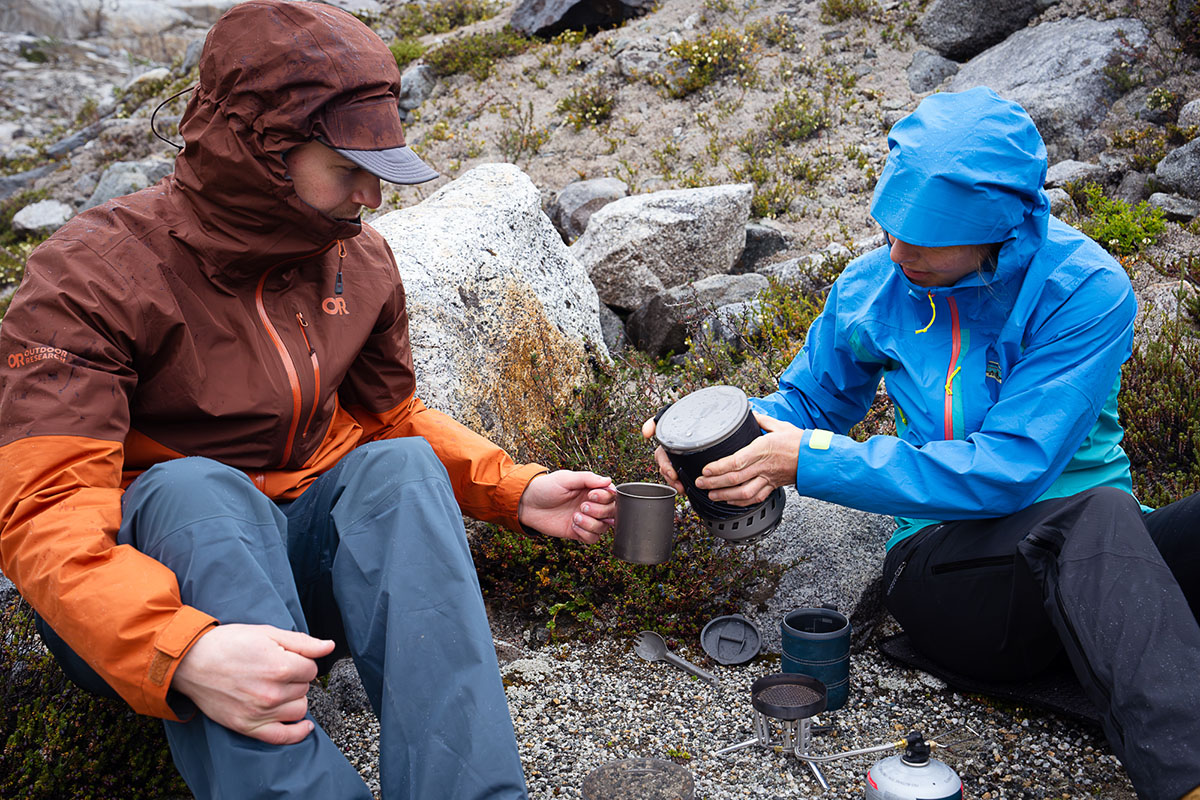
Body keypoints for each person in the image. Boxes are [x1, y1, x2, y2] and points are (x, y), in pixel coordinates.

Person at [0, 2, 615, 798]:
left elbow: (392, 420)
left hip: (296, 567)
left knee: (397, 471)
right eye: (349, 166)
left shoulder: (356, 262)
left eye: (383, 165)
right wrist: (179, 648)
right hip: (142, 595)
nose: (373, 196)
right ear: (259, 149)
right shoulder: (91, 275)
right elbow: (44, 511)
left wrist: (514, 489)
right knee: (194, 487)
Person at [644, 88, 1200, 800]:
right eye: (891, 227)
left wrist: (807, 461)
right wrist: (717, 434)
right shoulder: (874, 286)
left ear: (1002, 228)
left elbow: (1011, 471)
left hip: (1105, 554)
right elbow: (810, 404)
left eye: (928, 237)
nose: (900, 252)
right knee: (1093, 517)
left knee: (1098, 515)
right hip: (951, 571)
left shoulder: (1083, 289)